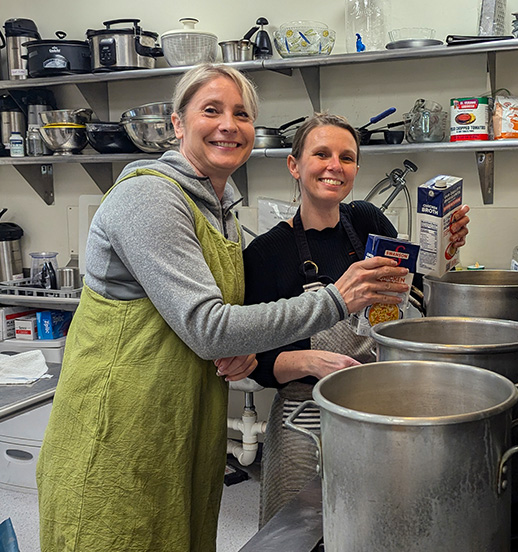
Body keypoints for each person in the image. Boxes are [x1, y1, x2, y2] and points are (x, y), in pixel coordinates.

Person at [35, 66, 410, 552]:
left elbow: (219, 325)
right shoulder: (147, 196)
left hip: (185, 426)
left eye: (242, 114)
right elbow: (209, 327)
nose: (228, 124)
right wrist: (336, 299)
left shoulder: (223, 214)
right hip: (119, 429)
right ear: (177, 123)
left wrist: (244, 354)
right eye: (211, 110)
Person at [243, 112, 470, 526]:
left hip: (380, 400)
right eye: (321, 154)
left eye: (346, 157)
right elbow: (254, 363)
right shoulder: (265, 253)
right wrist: (313, 362)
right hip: (304, 409)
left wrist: (446, 249)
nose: (335, 166)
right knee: (296, 529)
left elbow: (416, 284)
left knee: (381, 523)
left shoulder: (366, 221)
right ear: (294, 165)